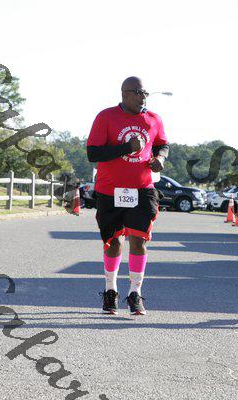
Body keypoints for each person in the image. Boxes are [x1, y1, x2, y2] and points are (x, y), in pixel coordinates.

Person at [86, 77, 169, 315]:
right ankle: (110, 290)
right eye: (139, 93)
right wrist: (126, 148)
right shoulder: (106, 117)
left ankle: (135, 293)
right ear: (125, 94)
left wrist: (160, 158)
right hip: (110, 190)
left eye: (145, 93)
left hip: (142, 189)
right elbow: (93, 153)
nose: (143, 98)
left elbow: (162, 144)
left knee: (139, 240)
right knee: (113, 241)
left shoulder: (153, 119)